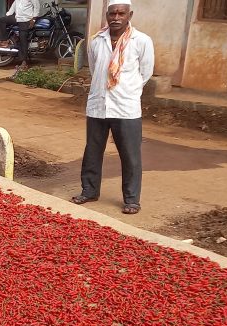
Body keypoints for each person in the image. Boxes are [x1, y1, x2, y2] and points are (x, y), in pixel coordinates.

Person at [71, 0, 153, 215]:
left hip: (126, 107)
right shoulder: (96, 40)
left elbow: (145, 73)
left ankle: (132, 199)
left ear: (129, 15)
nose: (116, 18)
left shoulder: (141, 41)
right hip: (98, 105)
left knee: (130, 155)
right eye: (112, 14)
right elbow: (94, 68)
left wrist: (128, 90)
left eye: (121, 13)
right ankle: (89, 191)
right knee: (92, 151)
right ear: (107, 15)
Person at [0, 0, 39, 70]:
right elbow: (13, 7)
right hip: (17, 18)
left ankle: (24, 62)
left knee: (22, 39)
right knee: (2, 20)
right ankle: (3, 41)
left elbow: (37, 7)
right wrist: (7, 16)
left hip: (26, 20)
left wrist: (33, 20)